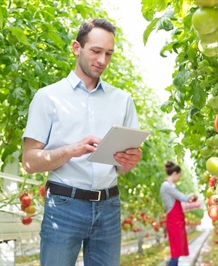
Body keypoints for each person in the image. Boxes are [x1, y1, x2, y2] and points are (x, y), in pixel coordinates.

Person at [21, 18, 142, 266]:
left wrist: (130, 161)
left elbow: (124, 167)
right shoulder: (48, 98)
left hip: (109, 206)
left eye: (109, 54)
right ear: (77, 47)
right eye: (96, 51)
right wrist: (70, 150)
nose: (102, 61)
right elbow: (29, 161)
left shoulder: (122, 100)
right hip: (64, 206)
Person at [160, 161, 198, 266]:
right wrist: (190, 195)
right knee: (175, 251)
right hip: (173, 221)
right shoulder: (166, 186)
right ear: (175, 173)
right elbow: (183, 197)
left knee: (177, 250)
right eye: (179, 175)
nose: (179, 178)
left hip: (176, 220)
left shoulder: (170, 186)